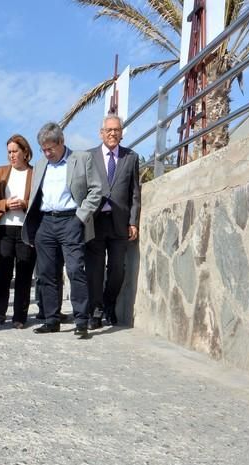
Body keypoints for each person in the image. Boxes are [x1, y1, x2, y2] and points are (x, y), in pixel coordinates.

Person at [23, 122, 105, 339]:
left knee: (76, 269)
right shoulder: (41, 165)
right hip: (45, 223)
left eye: (50, 148)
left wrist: (81, 216)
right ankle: (51, 320)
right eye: (43, 149)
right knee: (46, 273)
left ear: (62, 142)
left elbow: (97, 189)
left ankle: (81, 321)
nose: (47, 153)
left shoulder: (81, 159)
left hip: (71, 219)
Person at [86, 113, 141, 327]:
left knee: (118, 269)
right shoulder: (89, 157)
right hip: (96, 222)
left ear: (121, 133)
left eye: (116, 130)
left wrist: (133, 221)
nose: (112, 133)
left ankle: (109, 305)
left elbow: (135, 192)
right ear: (101, 133)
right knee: (95, 270)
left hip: (119, 223)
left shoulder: (131, 157)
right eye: (108, 130)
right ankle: (96, 312)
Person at [0, 134, 35, 329]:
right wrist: (5, 203)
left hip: (25, 229)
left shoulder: (35, 172)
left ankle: (20, 317)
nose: (11, 156)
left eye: (15, 151)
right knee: (3, 272)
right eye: (9, 152)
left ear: (25, 152)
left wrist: (24, 204)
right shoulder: (1, 171)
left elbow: (40, 202)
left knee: (24, 274)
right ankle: (0, 311)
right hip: (3, 229)